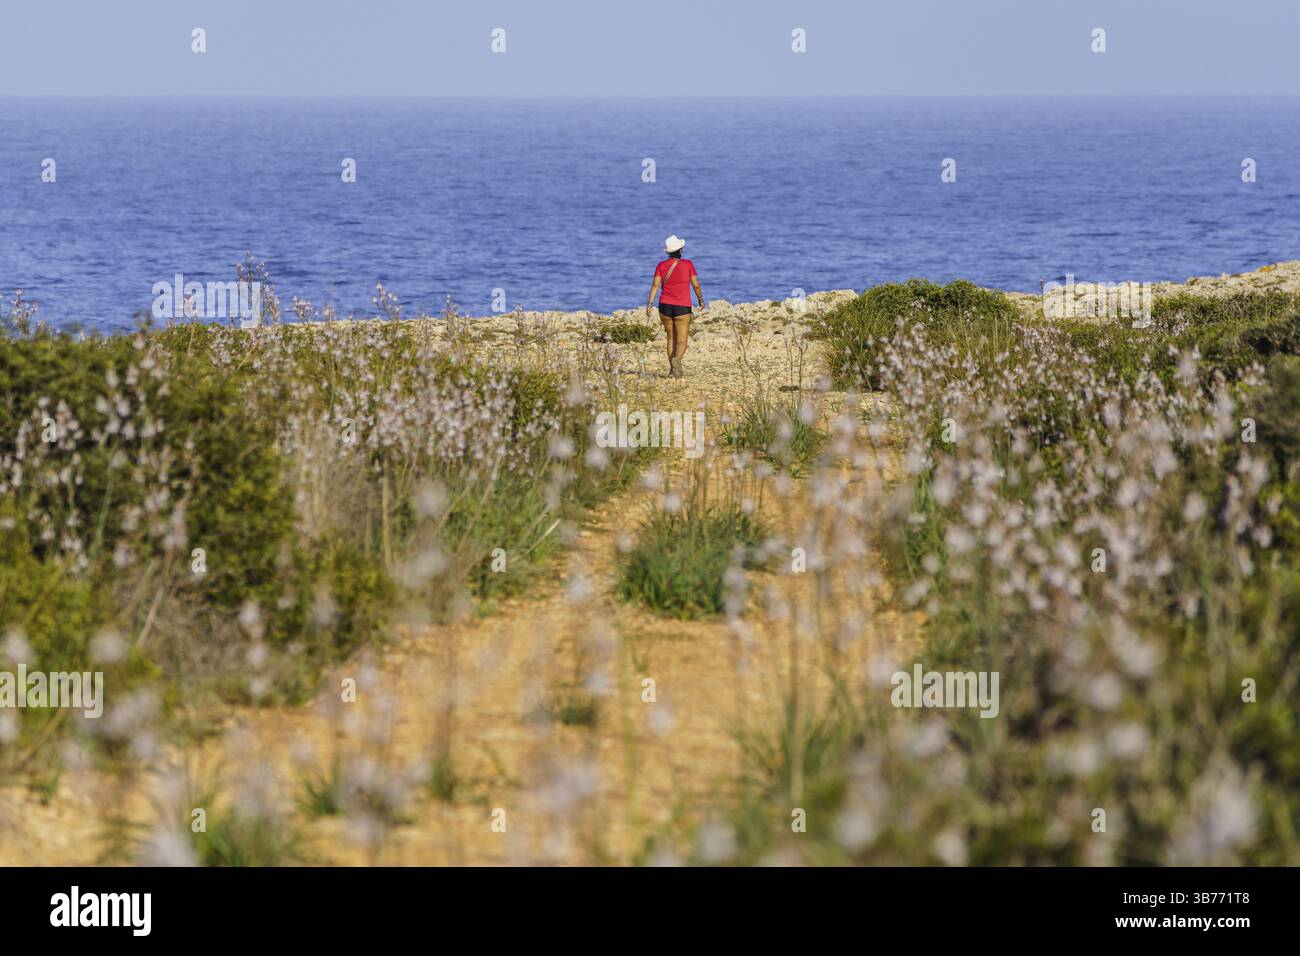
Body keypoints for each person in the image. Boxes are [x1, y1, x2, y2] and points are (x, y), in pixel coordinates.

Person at [645, 235, 706, 378]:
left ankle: (672, 371)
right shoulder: (688, 264)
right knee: (682, 340)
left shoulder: (661, 265)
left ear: (668, 252)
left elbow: (655, 285)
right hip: (682, 307)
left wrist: (650, 304)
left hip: (664, 306)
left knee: (670, 338)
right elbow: (696, 285)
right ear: (681, 249)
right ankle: (677, 360)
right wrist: (700, 299)